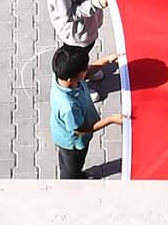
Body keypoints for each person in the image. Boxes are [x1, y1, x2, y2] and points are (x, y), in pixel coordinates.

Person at [47, 45, 127, 180]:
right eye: (83, 70)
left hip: (64, 135)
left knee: (67, 162)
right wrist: (111, 120)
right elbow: (81, 130)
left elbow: (87, 72)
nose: (87, 70)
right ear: (71, 79)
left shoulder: (62, 77)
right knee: (72, 168)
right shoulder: (68, 107)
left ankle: (73, 172)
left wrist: (107, 60)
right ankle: (72, 183)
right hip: (73, 143)